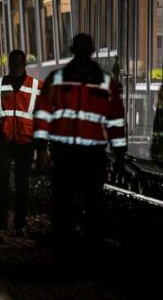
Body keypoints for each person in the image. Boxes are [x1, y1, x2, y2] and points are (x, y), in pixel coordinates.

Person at [34, 33, 127, 246]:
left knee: (73, 202)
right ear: (90, 51)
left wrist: (41, 149)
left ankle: (73, 244)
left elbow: (42, 115)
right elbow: (116, 122)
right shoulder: (105, 83)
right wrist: (120, 155)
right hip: (82, 154)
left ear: (72, 50)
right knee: (84, 202)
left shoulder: (57, 79)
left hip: (75, 154)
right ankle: (80, 244)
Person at [0, 49, 43, 235]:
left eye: (17, 63)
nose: (15, 66)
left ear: (23, 64)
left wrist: (41, 146)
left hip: (26, 141)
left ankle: (20, 222)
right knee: (2, 180)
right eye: (13, 63)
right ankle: (3, 219)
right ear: (9, 64)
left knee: (22, 184)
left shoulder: (36, 86)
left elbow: (41, 118)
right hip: (4, 142)